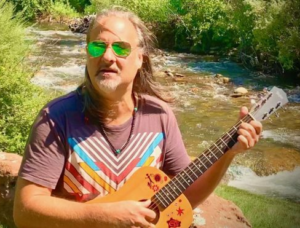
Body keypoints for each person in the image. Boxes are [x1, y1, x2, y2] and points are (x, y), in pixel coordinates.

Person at [13, 7, 262, 228]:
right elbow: (25, 211)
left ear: (139, 59)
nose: (108, 56)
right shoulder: (56, 118)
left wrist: (228, 154)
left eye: (121, 48)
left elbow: (183, 198)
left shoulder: (160, 116)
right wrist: (100, 216)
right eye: (98, 46)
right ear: (87, 55)